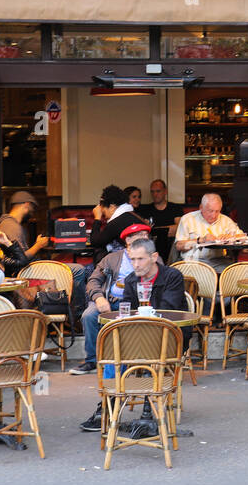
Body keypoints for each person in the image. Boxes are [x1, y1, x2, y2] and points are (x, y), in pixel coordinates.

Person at [78, 237, 188, 431]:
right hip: (141, 336)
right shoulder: (131, 280)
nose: (135, 264)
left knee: (130, 353)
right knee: (113, 353)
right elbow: (127, 313)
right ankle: (108, 406)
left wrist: (144, 313)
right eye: (132, 259)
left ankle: (139, 409)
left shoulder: (172, 276)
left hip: (170, 336)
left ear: (154, 257)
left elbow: (170, 312)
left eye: (140, 259)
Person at [70, 224, 158, 376]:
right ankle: (92, 360)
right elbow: (93, 280)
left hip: (138, 303)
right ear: (128, 240)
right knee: (89, 315)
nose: (145, 238)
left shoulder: (153, 257)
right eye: (141, 235)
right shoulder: (111, 258)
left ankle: (143, 362)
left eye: (146, 235)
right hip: (109, 301)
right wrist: (99, 298)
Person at [0, 190, 87, 316]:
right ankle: (77, 315)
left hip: (30, 269)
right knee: (79, 270)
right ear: (27, 205)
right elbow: (22, 259)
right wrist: (39, 245)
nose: (32, 213)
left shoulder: (6, 223)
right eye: (32, 208)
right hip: (29, 272)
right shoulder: (12, 226)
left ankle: (69, 313)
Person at [175, 193, 246, 270]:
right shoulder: (187, 219)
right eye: (210, 211)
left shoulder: (225, 220)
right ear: (201, 208)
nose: (214, 215)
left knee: (236, 272)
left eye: (217, 211)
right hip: (193, 261)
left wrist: (230, 237)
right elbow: (179, 246)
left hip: (219, 261)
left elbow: (243, 236)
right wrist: (201, 240)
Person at [86, 184, 147, 264]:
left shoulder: (117, 222)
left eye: (103, 210)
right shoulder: (134, 216)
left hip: (125, 266)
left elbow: (95, 242)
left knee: (86, 269)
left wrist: (97, 218)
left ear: (112, 207)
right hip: (141, 262)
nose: (103, 214)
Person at [137, 179, 185, 258]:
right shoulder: (145, 210)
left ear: (165, 191)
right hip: (152, 247)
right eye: (152, 192)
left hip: (171, 247)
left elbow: (179, 229)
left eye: (158, 191)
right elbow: (143, 231)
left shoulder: (175, 208)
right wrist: (167, 229)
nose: (155, 194)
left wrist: (155, 230)